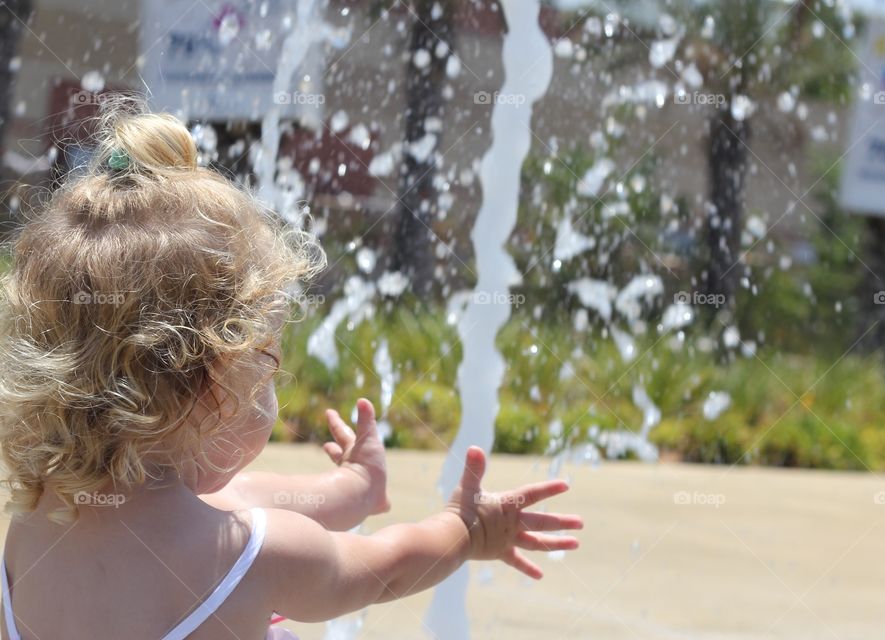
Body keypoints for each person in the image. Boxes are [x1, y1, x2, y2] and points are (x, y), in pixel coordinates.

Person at [0, 104, 583, 639]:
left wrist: (351, 491)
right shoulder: (256, 555)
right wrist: (465, 529)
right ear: (215, 384)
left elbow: (235, 495)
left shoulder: (28, 534)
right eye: (269, 365)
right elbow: (383, 569)